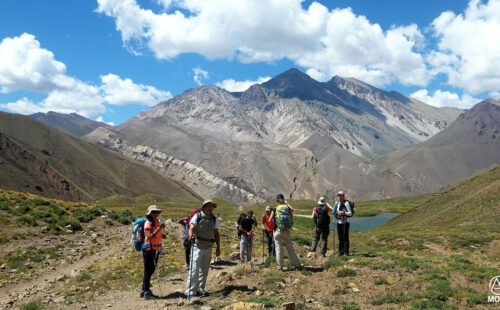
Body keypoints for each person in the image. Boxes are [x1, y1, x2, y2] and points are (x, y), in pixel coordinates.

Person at [186, 199, 221, 299]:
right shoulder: (197, 216)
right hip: (198, 246)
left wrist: (218, 247)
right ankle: (190, 292)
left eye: (212, 206)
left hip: (209, 246)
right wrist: (191, 236)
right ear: (204, 207)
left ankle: (200, 289)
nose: (210, 208)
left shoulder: (214, 219)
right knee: (194, 270)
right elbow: (191, 228)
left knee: (204, 270)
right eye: (208, 206)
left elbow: (216, 233)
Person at [141, 205, 166, 299]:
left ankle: (144, 290)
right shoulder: (148, 223)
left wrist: (162, 235)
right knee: (148, 270)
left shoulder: (156, 222)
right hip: (149, 249)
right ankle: (146, 292)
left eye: (157, 212)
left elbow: (156, 235)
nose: (156, 214)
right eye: (154, 212)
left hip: (156, 249)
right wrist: (159, 228)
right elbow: (149, 236)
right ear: (150, 213)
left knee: (150, 270)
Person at [273, 194, 302, 271]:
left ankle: (280, 267)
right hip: (287, 231)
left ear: (277, 200)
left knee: (278, 249)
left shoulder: (276, 209)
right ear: (283, 200)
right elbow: (292, 210)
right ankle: (297, 265)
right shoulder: (287, 208)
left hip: (278, 231)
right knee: (290, 248)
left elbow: (271, 220)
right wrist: (287, 203)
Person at [333, 191, 352, 256]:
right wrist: (336, 213)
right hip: (339, 222)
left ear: (343, 196)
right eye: (338, 195)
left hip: (345, 222)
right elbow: (334, 212)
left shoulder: (346, 203)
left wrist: (343, 213)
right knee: (340, 237)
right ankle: (340, 252)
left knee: (345, 237)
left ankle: (346, 252)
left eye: (341, 195)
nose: (339, 197)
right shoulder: (336, 203)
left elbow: (350, 213)